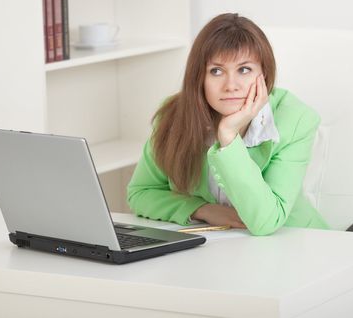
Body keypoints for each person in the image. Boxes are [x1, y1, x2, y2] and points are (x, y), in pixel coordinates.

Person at [127, 13, 329, 235]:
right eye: (216, 71)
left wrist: (229, 136)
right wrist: (202, 209)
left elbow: (266, 222)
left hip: (299, 245)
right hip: (219, 247)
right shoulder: (175, 115)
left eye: (244, 70)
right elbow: (141, 193)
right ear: (199, 78)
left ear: (264, 73)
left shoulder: (295, 120)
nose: (231, 85)